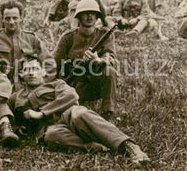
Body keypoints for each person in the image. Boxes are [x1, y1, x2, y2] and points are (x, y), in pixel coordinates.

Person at [10, 58, 150, 165]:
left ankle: (128, 146)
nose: (31, 73)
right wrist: (18, 129)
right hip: (50, 127)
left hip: (68, 113)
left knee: (80, 114)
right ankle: (97, 147)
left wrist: (42, 113)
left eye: (34, 68)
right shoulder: (17, 96)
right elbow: (10, 117)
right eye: (27, 70)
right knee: (51, 137)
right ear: (21, 74)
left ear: (43, 71)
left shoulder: (56, 84)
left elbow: (71, 96)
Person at [53, 0, 117, 119]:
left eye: (93, 13)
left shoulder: (105, 35)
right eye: (85, 13)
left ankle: (107, 112)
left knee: (109, 71)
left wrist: (98, 60)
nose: (89, 16)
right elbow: (53, 63)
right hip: (73, 86)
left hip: (95, 86)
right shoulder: (68, 37)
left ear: (97, 16)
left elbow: (111, 56)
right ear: (79, 17)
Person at [0, 0, 55, 86]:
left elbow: (49, 62)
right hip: (1, 85)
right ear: (2, 19)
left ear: (21, 18)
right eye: (7, 18)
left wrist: (42, 81)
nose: (11, 22)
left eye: (15, 18)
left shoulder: (31, 38)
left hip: (27, 85)